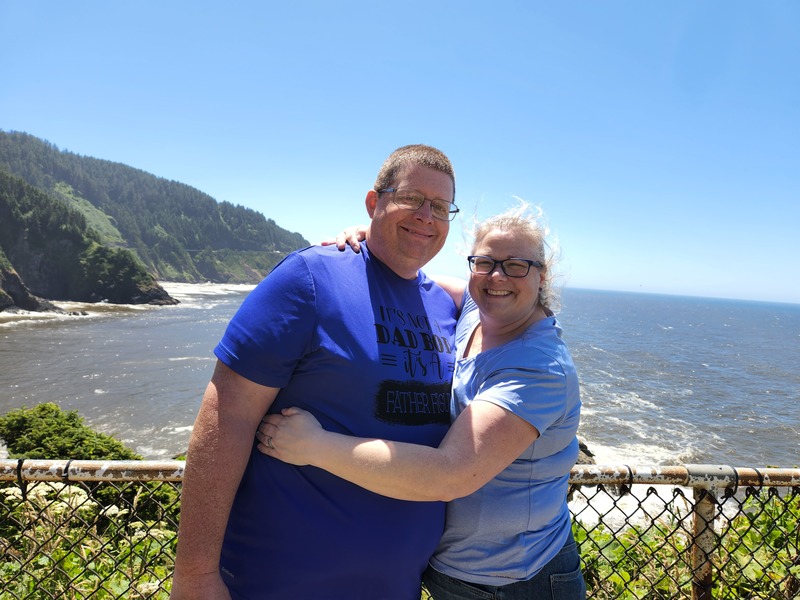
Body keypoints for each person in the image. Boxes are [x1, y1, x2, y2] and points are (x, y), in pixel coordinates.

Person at [171, 144, 463, 600]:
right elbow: (227, 415)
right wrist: (194, 575)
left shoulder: (448, 307)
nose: (426, 215)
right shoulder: (309, 279)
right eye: (411, 198)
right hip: (275, 583)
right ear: (374, 203)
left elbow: (520, 296)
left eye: (441, 206)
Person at [258, 202, 587, 599]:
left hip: (517, 582)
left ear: (541, 275)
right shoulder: (476, 310)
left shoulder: (537, 367)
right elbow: (417, 277)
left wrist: (315, 445)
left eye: (516, 264)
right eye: (485, 262)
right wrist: (373, 240)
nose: (497, 276)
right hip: (452, 573)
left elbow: (450, 474)